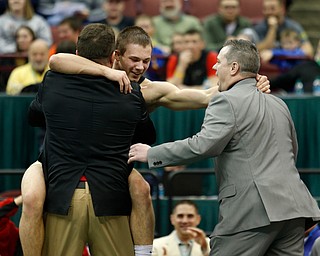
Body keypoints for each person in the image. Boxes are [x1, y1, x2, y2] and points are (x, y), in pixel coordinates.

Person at [20, 25, 270, 256]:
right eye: (134, 60)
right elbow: (58, 60)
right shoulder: (81, 76)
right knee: (32, 197)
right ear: (115, 56)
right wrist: (106, 72)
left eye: (147, 61)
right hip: (72, 170)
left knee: (141, 189)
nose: (140, 67)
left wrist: (248, 81)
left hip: (108, 173)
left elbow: (206, 96)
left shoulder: (146, 90)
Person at [128, 39, 320, 255]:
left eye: (219, 62)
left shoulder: (225, 101)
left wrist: (152, 153)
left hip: (253, 210)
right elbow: (292, 150)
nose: (214, 67)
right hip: (294, 209)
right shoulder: (279, 103)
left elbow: (202, 145)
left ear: (234, 68)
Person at [28, 23, 153, 255]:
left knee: (31, 196)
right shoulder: (132, 92)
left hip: (63, 198)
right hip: (110, 200)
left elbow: (34, 117)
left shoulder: (53, 81)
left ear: (77, 53)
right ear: (114, 56)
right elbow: (147, 136)